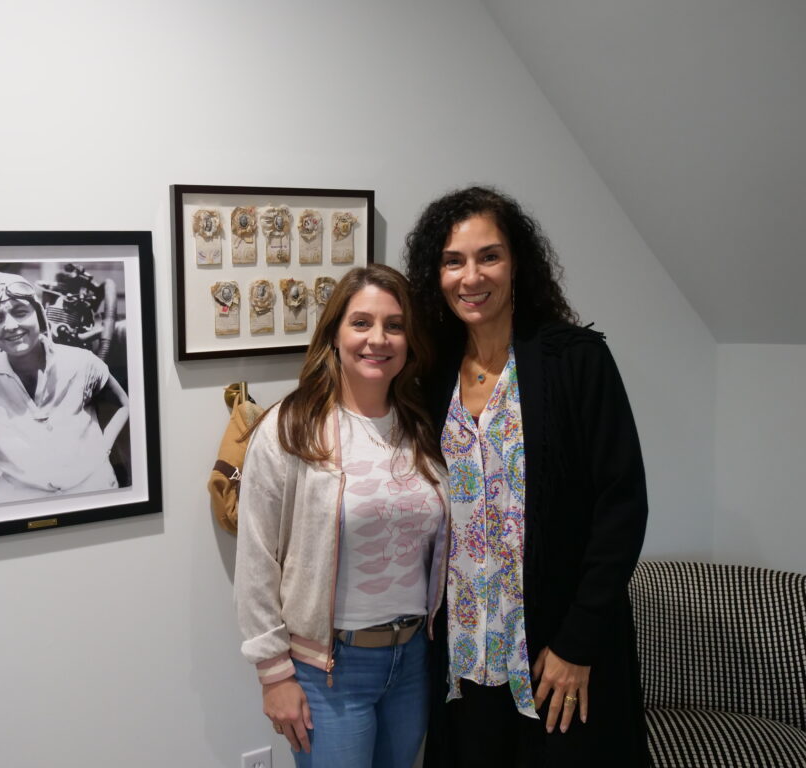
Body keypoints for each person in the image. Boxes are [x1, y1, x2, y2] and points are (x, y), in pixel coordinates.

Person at [404, 187, 650, 766]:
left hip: (555, 662)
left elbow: (622, 506)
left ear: (517, 264)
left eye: (489, 256)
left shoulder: (575, 359)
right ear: (435, 274)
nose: (471, 276)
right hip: (465, 666)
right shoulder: (431, 374)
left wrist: (577, 642)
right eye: (453, 261)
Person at [234, 264, 450, 768]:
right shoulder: (291, 427)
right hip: (329, 669)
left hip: (413, 659)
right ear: (334, 334)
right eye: (361, 323)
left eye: (394, 325)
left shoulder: (421, 425)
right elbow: (257, 558)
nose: (378, 339)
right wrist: (274, 674)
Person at [0, 271, 130, 502]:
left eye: (20, 312)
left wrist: (103, 447)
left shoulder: (82, 362)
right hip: (22, 509)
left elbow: (122, 404)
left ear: (38, 314)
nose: (10, 326)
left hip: (95, 498)